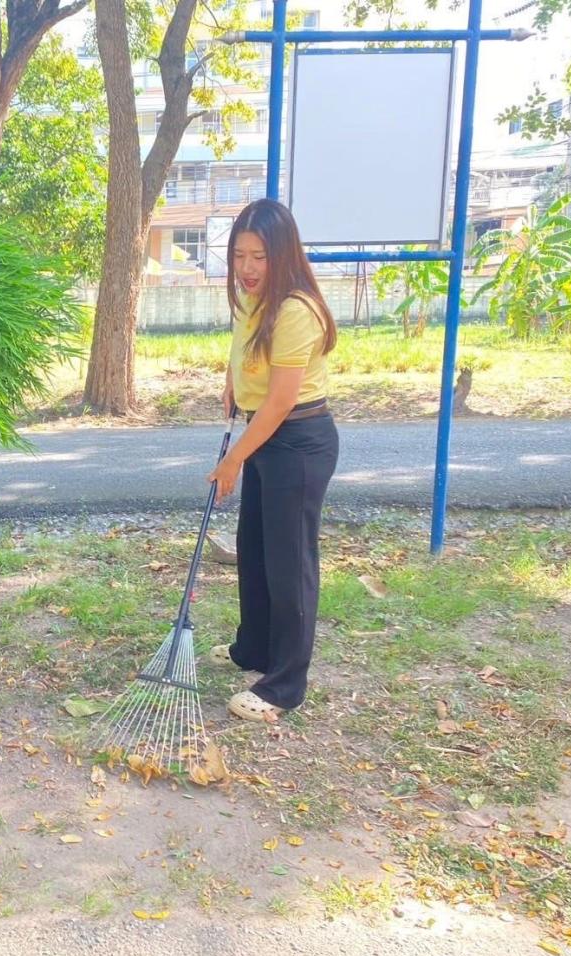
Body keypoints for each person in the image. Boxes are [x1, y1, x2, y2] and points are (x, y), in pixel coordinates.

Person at [206, 198, 339, 723]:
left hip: (298, 441)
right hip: (267, 435)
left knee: (289, 564)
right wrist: (233, 383)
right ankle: (253, 650)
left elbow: (283, 400)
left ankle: (285, 685)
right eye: (240, 255)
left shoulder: (296, 310)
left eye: (259, 256)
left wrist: (233, 458)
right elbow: (244, 354)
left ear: (282, 254)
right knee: (254, 549)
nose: (247, 267)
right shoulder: (255, 301)